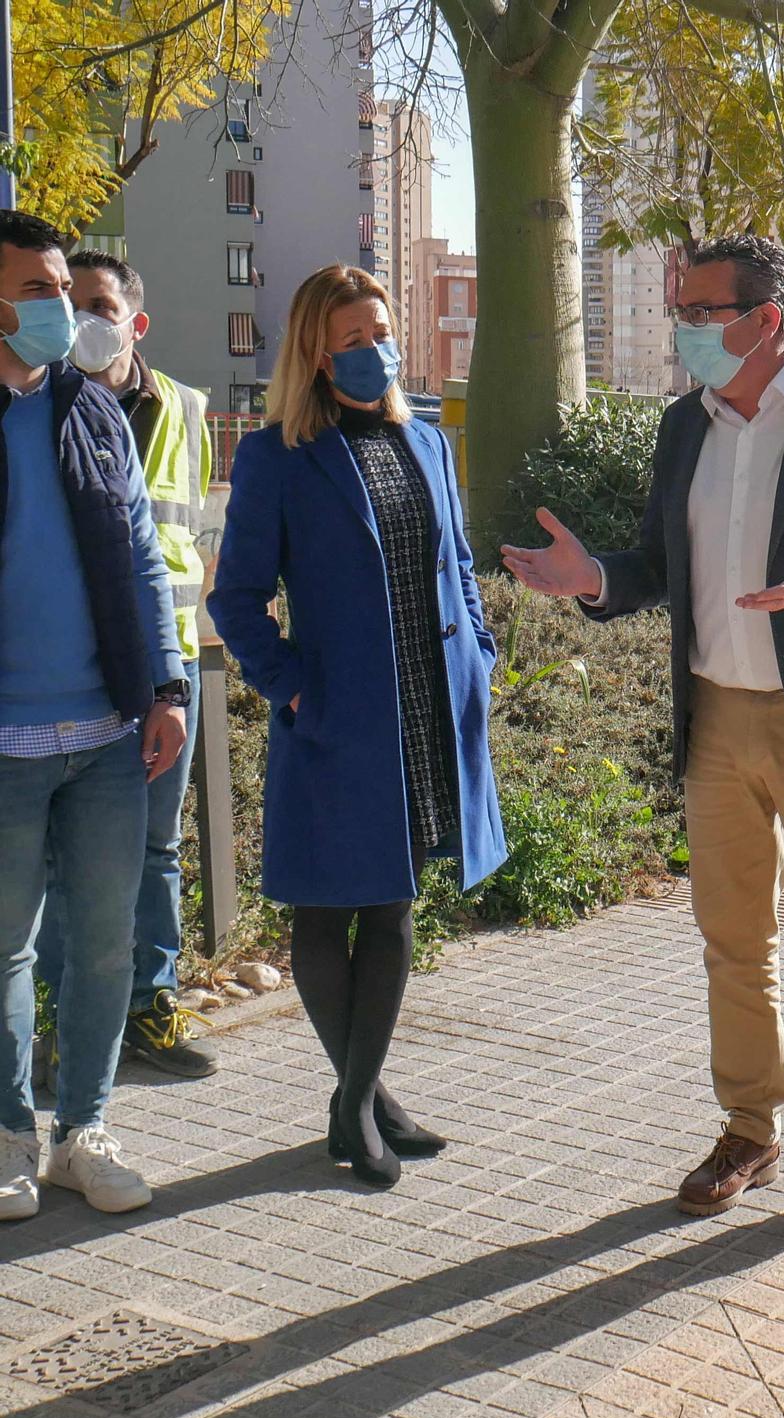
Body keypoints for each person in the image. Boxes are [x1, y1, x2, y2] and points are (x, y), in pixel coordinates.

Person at [502, 233, 784, 1245]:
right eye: (680, 309)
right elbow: (660, 563)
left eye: (703, 311)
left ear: (766, 319)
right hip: (717, 716)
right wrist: (597, 580)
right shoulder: (682, 428)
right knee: (732, 944)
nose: (685, 329)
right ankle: (749, 1129)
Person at [209, 264, 505, 1189]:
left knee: (393, 902)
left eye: (381, 331)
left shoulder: (424, 443)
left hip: (425, 706)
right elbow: (239, 601)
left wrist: (482, 654)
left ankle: (360, 1096)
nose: (375, 351)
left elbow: (457, 562)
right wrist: (292, 688)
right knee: (325, 905)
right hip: (337, 713)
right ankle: (359, 1103)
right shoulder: (276, 459)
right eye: (352, 339)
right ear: (314, 351)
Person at [0, 210, 187, 1220]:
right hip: (6, 739)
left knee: (107, 944)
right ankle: (7, 1133)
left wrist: (164, 689)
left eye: (62, 288)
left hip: (109, 734)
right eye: (35, 288)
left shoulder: (93, 409)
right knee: (5, 948)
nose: (57, 307)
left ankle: (83, 1128)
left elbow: (142, 558)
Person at [35, 249, 218, 1080]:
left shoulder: (182, 406)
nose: (81, 319)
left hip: (164, 669)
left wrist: (175, 674)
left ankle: (149, 1006)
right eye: (71, 300)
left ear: (134, 322)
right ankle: (54, 1018)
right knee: (58, 857)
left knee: (155, 849)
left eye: (98, 304)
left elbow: (182, 536)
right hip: (69, 670)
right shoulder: (34, 399)